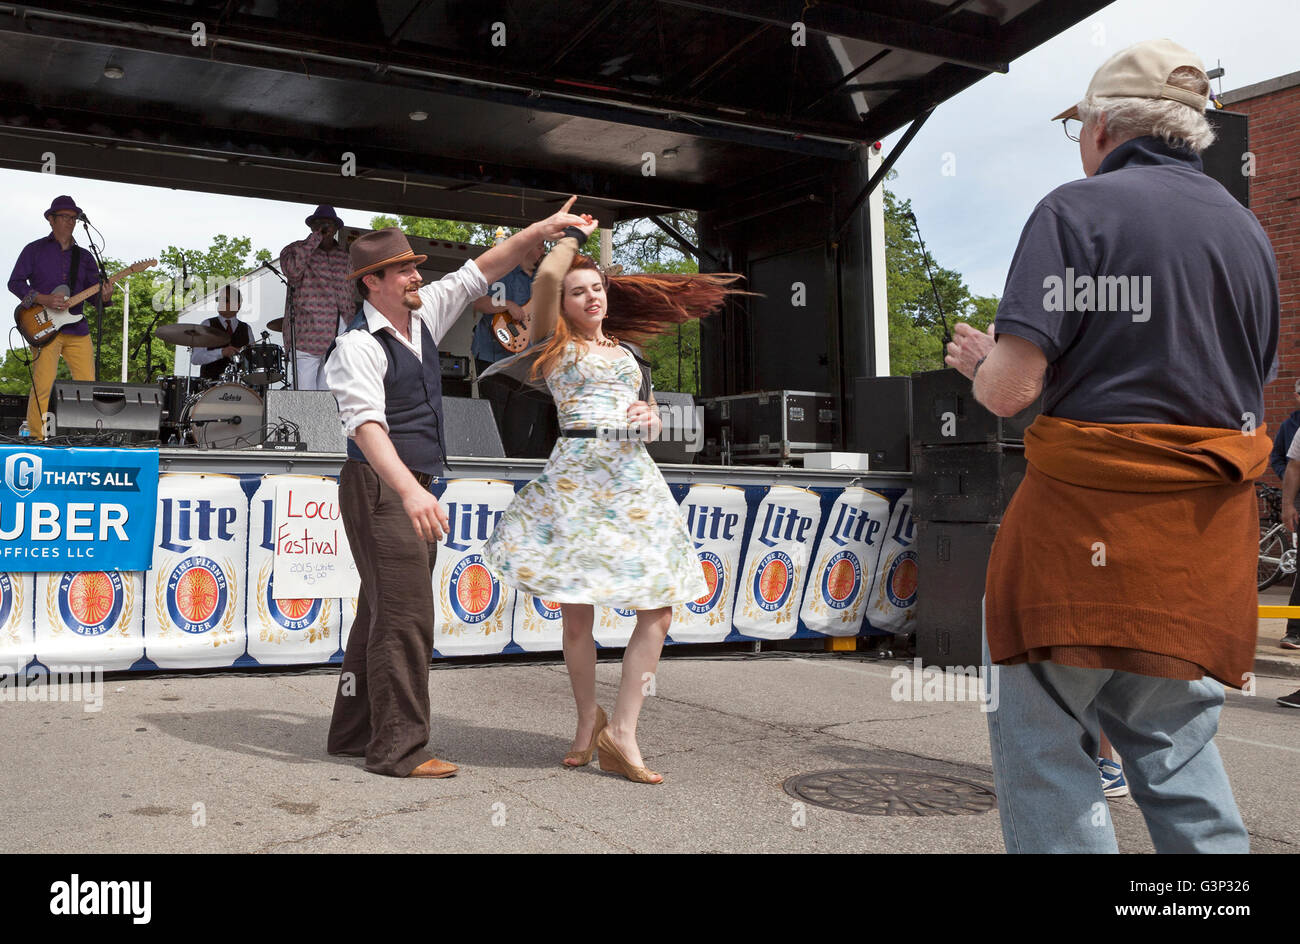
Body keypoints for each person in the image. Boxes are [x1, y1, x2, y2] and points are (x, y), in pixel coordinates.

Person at [945, 40, 1278, 853]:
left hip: (1075, 545)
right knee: (1179, 760)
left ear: (1101, 129)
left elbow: (1013, 392)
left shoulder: (1075, 211)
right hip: (1198, 556)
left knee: (1049, 762)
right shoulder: (1250, 236)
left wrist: (983, 363)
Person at [323, 200, 589, 779]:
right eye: (404, 270)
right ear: (373, 283)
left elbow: (485, 269)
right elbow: (366, 428)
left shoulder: (421, 316)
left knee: (380, 610)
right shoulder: (357, 347)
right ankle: (398, 749)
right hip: (379, 486)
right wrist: (412, 493)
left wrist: (544, 230)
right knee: (406, 618)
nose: (418, 275)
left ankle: (350, 732)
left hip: (409, 486)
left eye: (416, 267)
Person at [481, 216, 747, 784]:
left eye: (596, 287)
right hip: (577, 476)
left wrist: (650, 418)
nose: (590, 296)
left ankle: (622, 732)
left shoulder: (630, 356)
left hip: (632, 477)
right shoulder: (552, 339)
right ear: (563, 303)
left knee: (659, 606)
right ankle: (586, 723)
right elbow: (550, 272)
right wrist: (570, 235)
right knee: (577, 615)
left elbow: (646, 422)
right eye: (579, 291)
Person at [8, 195, 113, 438]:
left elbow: (92, 296)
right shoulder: (34, 250)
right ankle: (36, 437)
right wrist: (41, 298)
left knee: (87, 385)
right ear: (50, 219)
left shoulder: (86, 256)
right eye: (64, 217)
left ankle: (89, 437)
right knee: (42, 385)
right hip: (44, 327)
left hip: (77, 328)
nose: (70, 221)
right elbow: (14, 283)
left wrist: (105, 298)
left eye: (74, 218)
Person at [471, 242, 557, 457]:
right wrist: (507, 305)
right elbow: (478, 301)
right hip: (493, 356)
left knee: (522, 421)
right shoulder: (502, 272)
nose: (542, 251)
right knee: (493, 419)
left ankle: (515, 468)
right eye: (539, 246)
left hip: (527, 362)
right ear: (526, 247)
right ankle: (493, 468)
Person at [280, 205, 356, 391]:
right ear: (312, 227)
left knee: (328, 401)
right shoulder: (294, 250)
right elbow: (292, 271)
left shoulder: (346, 257)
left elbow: (350, 294)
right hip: (307, 337)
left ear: (336, 229)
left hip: (339, 339)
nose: (325, 228)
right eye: (320, 224)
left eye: (329, 224)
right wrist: (315, 239)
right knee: (305, 398)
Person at [190, 284, 250, 381]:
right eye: (219, 299)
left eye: (225, 300)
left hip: (239, 388)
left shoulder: (246, 328)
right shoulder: (207, 324)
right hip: (210, 387)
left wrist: (242, 355)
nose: (220, 302)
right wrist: (221, 353)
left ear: (237, 305)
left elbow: (252, 360)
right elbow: (195, 358)